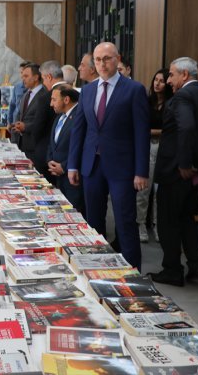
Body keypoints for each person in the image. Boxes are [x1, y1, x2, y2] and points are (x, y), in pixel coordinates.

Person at [68, 42, 150, 270]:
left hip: (122, 168)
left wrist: (141, 171)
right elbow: (79, 130)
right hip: (92, 166)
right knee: (93, 222)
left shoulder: (134, 90)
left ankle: (133, 274)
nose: (102, 64)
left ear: (118, 59)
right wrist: (73, 165)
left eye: (107, 58)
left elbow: (141, 133)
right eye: (98, 59)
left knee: (125, 223)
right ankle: (97, 269)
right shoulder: (87, 91)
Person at [148, 57, 198, 287]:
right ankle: (196, 266)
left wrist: (184, 163)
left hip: (177, 172)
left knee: (168, 222)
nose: (168, 80)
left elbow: (186, 128)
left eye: (171, 75)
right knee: (187, 220)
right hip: (197, 174)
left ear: (184, 75)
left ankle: (172, 270)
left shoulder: (182, 97)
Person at [135, 69, 173, 243]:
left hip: (165, 149)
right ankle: (141, 224)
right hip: (148, 148)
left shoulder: (171, 103)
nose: (157, 83)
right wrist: (158, 132)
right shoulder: (146, 101)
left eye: (162, 80)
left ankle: (158, 225)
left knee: (160, 192)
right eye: (155, 80)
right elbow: (140, 128)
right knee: (144, 190)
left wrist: (153, 132)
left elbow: (172, 130)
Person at [12, 62, 55, 177]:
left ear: (36, 77)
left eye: (26, 76)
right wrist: (14, 125)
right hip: (22, 146)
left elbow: (45, 122)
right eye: (22, 76)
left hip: (36, 148)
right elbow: (22, 115)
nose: (23, 79)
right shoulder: (26, 94)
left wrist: (26, 127)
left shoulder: (45, 96)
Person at [47, 84, 84, 214]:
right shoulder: (59, 117)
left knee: (74, 214)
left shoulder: (79, 116)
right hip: (58, 176)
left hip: (72, 178)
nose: (51, 104)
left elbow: (81, 146)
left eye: (54, 99)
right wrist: (50, 161)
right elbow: (52, 143)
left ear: (66, 100)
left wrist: (64, 166)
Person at [7, 76, 27, 144]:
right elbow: (12, 105)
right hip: (15, 121)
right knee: (14, 144)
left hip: (27, 124)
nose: (23, 77)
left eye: (26, 75)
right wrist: (9, 121)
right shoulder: (17, 87)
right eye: (21, 73)